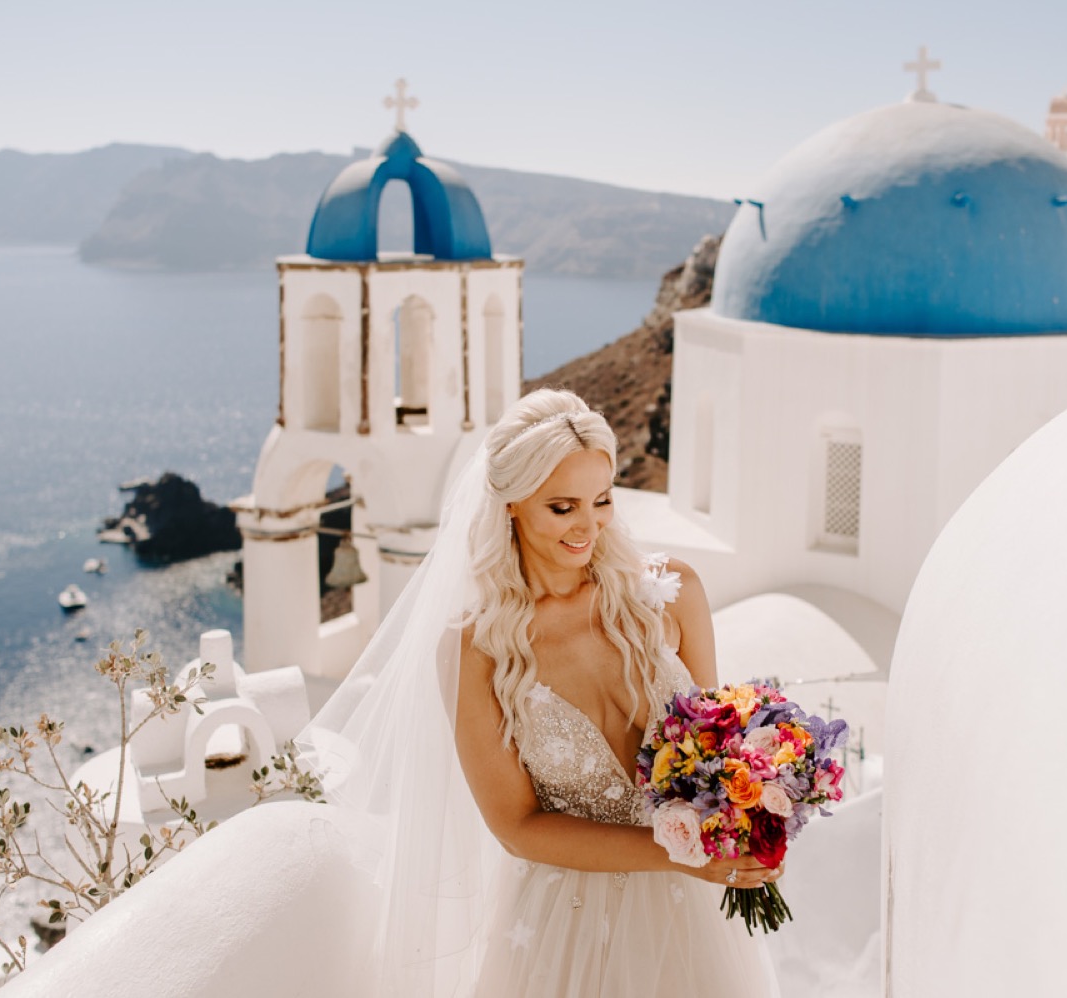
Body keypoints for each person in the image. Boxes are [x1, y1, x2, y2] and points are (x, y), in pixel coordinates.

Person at [298, 389, 776, 997]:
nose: (589, 525)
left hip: (698, 913)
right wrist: (679, 855)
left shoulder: (673, 593)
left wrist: (756, 826)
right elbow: (517, 826)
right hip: (570, 927)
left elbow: (718, 750)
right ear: (512, 505)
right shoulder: (475, 651)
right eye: (562, 506)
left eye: (602, 500)